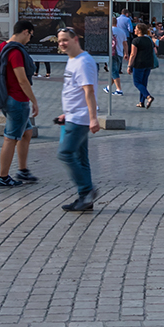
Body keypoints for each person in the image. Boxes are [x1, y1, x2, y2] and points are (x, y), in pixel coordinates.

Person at [55, 26, 99, 212]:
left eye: (65, 39)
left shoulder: (83, 62)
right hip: (73, 116)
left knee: (65, 153)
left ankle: (87, 190)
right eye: (59, 41)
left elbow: (88, 91)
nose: (62, 44)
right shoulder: (72, 60)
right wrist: (66, 112)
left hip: (81, 118)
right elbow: (73, 90)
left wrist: (93, 118)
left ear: (75, 40)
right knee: (81, 158)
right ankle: (84, 199)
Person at [0, 21, 39, 188]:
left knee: (27, 131)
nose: (29, 39)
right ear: (25, 32)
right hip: (18, 100)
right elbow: (22, 80)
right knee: (10, 138)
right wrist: (34, 100)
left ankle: (22, 169)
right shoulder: (16, 52)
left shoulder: (0, 48)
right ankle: (3, 177)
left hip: (5, 98)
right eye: (30, 35)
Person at [129, 23, 157, 107]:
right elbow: (155, 51)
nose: (134, 30)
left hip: (139, 64)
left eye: (136, 29)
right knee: (144, 82)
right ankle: (141, 102)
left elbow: (133, 54)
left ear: (139, 31)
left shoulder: (136, 41)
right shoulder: (149, 40)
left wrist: (129, 65)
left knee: (137, 82)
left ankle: (148, 96)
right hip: (148, 63)